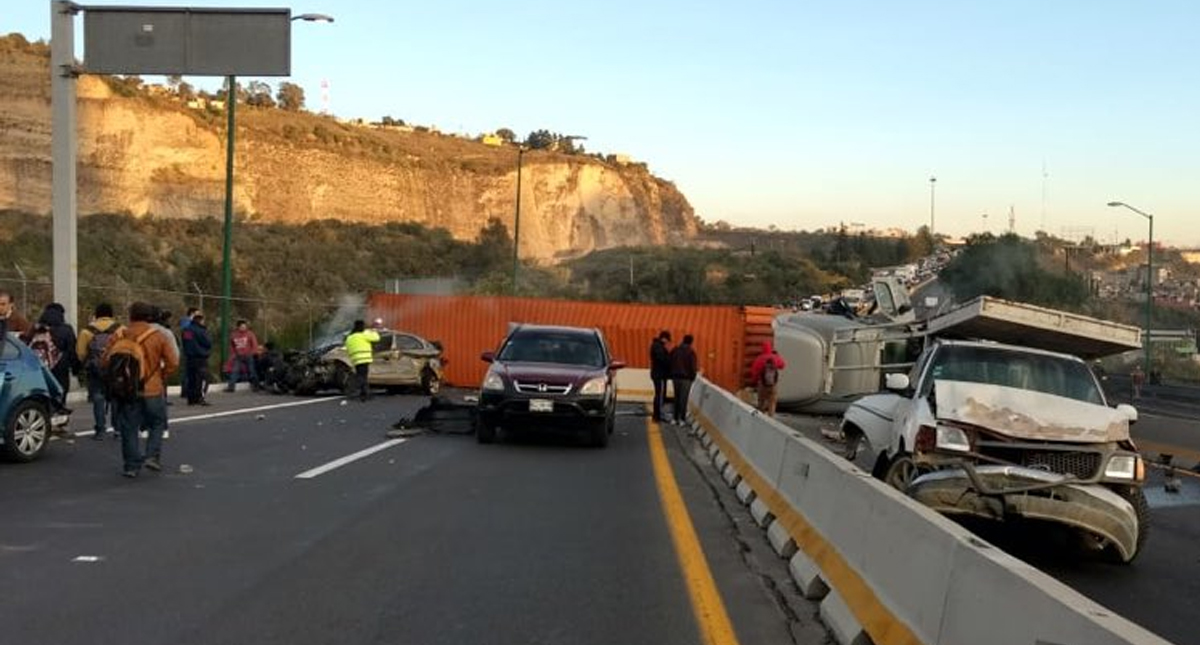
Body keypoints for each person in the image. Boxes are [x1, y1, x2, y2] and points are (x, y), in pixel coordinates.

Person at [102, 302, 179, 478]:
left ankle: (131, 466)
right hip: (152, 388)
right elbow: (173, 362)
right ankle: (152, 456)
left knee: (129, 427)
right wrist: (161, 375)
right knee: (157, 423)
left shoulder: (119, 334)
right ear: (150, 317)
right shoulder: (158, 336)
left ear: (131, 316)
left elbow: (105, 360)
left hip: (127, 390)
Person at [77, 303, 123, 440]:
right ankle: (118, 430)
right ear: (111, 314)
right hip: (116, 370)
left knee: (98, 398)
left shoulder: (86, 331)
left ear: (96, 315)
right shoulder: (121, 329)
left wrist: (90, 363)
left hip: (96, 370)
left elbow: (80, 353)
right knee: (116, 399)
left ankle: (100, 430)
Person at [27, 302, 78, 408]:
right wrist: (75, 368)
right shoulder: (66, 329)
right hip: (60, 368)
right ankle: (58, 413)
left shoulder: (35, 328)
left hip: (39, 368)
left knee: (42, 396)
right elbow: (72, 350)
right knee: (60, 393)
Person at [181, 311, 212, 406]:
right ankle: (200, 397)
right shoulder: (201, 331)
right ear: (200, 320)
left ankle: (191, 399)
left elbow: (186, 342)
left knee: (191, 378)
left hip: (190, 357)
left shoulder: (187, 330)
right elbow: (208, 343)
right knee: (203, 378)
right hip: (201, 357)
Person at [344, 319, 380, 402]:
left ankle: (366, 394)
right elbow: (376, 338)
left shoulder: (350, 337)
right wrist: (373, 330)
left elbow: (347, 347)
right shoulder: (363, 334)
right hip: (364, 358)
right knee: (362, 377)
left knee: (362, 376)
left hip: (355, 359)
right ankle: (351, 390)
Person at [749, 341, 787, 417]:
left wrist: (754, 381)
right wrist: (777, 357)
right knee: (772, 402)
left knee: (761, 402)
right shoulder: (775, 357)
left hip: (762, 384)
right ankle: (771, 417)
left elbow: (754, 372)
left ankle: (761, 417)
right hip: (773, 385)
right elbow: (783, 365)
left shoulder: (759, 359)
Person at [669, 334, 698, 425]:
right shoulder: (691, 352)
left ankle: (674, 418)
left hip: (675, 377)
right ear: (691, 342)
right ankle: (682, 419)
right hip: (686, 378)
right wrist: (693, 377)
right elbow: (693, 367)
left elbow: (670, 361)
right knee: (683, 399)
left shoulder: (675, 350)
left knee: (676, 398)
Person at [227, 319, 261, 392]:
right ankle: (231, 387)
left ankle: (256, 386)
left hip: (248, 355)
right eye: (242, 327)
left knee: (251, 371)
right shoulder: (233, 335)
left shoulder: (250, 334)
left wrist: (252, 353)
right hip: (238, 356)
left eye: (244, 326)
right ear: (238, 327)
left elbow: (254, 344)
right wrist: (233, 354)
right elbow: (232, 345)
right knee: (235, 371)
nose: (243, 328)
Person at [649, 330, 672, 423]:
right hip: (659, 374)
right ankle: (657, 415)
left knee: (659, 395)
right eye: (667, 340)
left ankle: (657, 415)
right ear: (664, 338)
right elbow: (662, 359)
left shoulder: (656, 346)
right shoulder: (658, 347)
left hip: (657, 373)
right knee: (660, 395)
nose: (667, 342)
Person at [178, 307, 197, 401]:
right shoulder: (186, 323)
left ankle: (189, 390)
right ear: (192, 313)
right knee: (186, 371)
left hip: (191, 350)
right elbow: (187, 337)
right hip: (188, 350)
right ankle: (185, 391)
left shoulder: (190, 324)